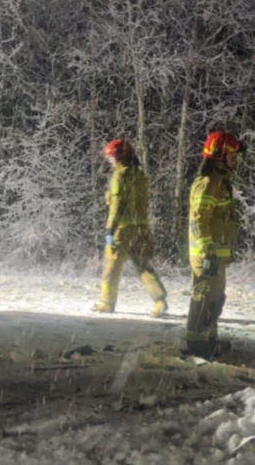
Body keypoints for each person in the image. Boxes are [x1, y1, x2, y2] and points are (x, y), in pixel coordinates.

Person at [92, 138, 168, 317]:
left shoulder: (119, 177)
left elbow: (116, 206)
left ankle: (106, 303)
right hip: (141, 228)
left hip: (122, 230)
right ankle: (160, 301)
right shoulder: (140, 176)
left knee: (111, 267)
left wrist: (110, 229)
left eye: (111, 158)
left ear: (119, 158)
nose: (109, 161)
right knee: (143, 266)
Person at [184, 131, 242, 358]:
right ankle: (197, 346)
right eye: (232, 155)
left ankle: (209, 341)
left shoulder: (220, 182)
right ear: (219, 155)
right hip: (206, 256)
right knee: (203, 299)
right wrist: (207, 251)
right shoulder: (208, 183)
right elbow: (199, 219)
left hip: (215, 256)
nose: (235, 160)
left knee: (215, 300)